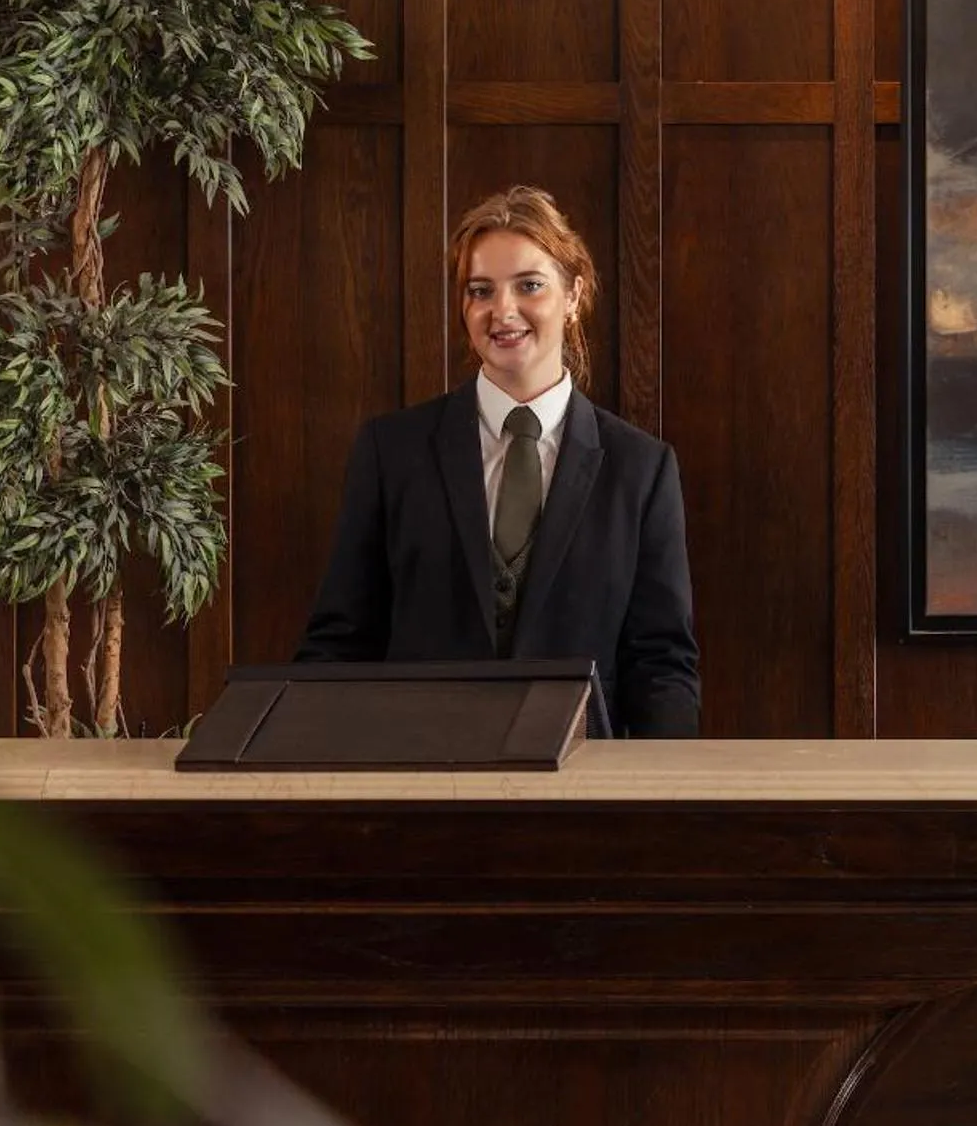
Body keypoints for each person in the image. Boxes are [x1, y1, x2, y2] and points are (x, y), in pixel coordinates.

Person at [297, 186, 700, 738]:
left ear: (574, 294)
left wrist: (662, 806)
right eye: (480, 290)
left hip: (582, 800)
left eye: (529, 285)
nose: (502, 311)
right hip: (417, 789)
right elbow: (339, 644)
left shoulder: (642, 469)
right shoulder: (391, 452)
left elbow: (662, 667)